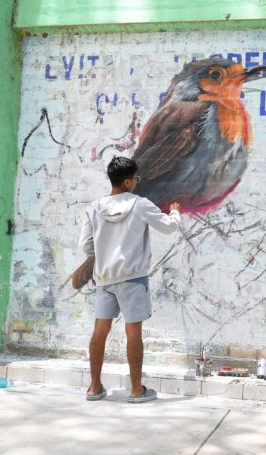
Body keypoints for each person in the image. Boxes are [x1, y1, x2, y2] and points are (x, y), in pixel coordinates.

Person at [78, 156, 181, 403]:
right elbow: (167, 227)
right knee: (133, 332)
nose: (137, 182)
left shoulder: (94, 208)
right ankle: (136, 390)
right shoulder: (140, 205)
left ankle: (94, 387)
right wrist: (175, 213)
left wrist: (105, 253)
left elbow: (85, 245)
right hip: (133, 278)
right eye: (135, 178)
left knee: (99, 331)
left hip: (104, 278)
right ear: (127, 182)